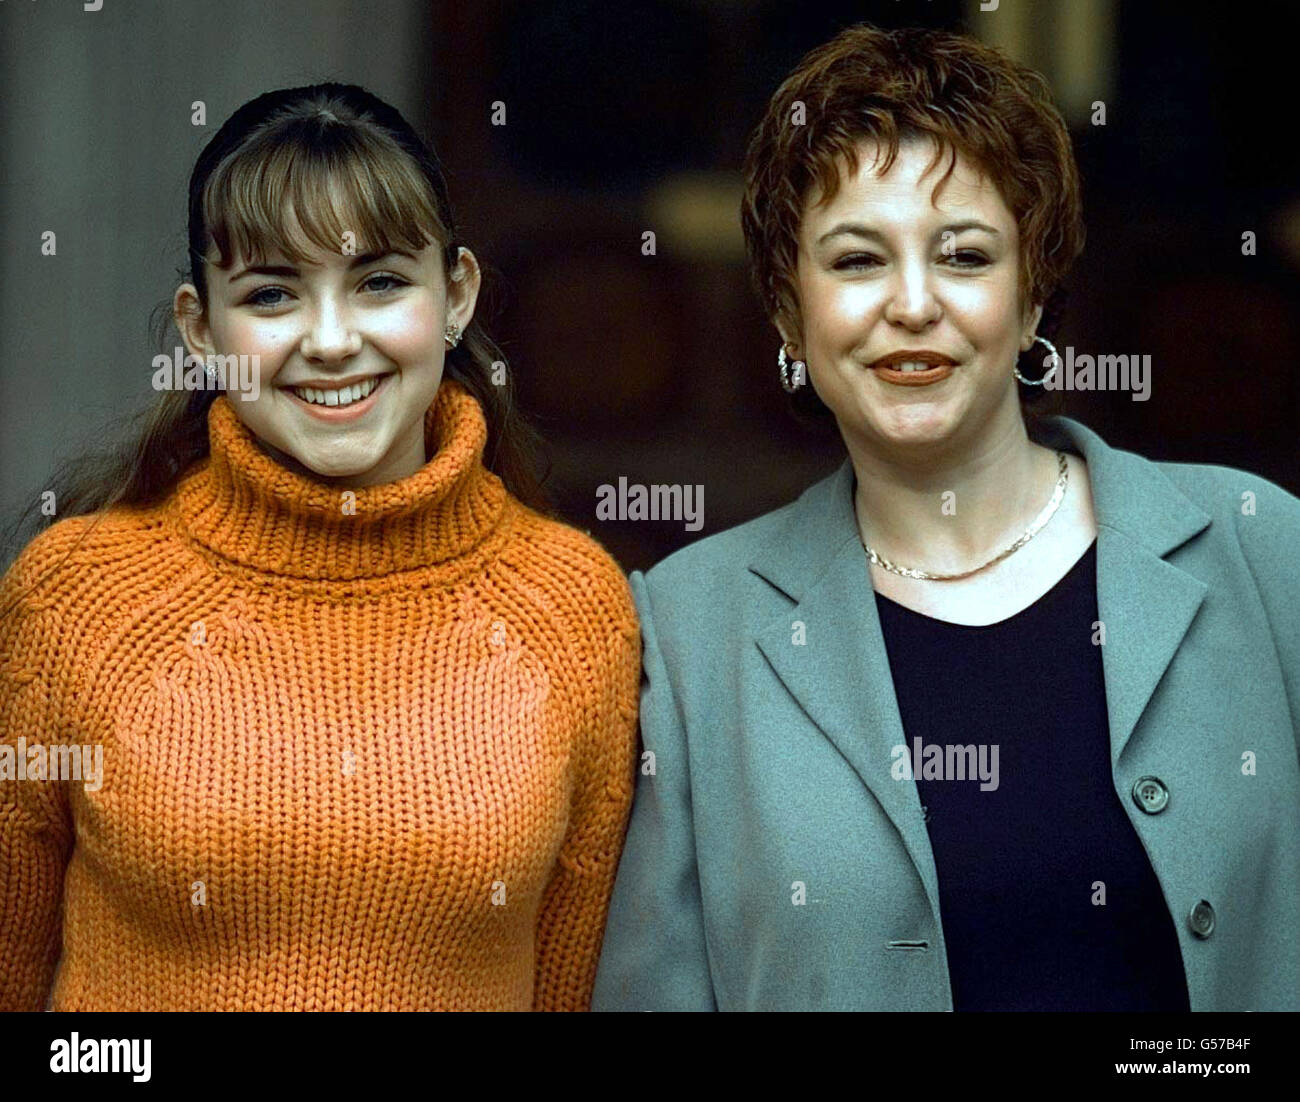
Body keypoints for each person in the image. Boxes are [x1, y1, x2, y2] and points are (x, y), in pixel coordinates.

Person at [592, 23, 1300, 1011]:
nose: (912, 303)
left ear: (1031, 296)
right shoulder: (688, 629)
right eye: (856, 261)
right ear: (789, 314)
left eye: (963, 255)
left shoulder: (1260, 546)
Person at [0, 83, 639, 1011]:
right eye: (271, 293)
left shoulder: (574, 603)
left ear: (455, 296)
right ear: (201, 329)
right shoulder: (74, 596)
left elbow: (567, 987)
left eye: (379, 282)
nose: (333, 341)